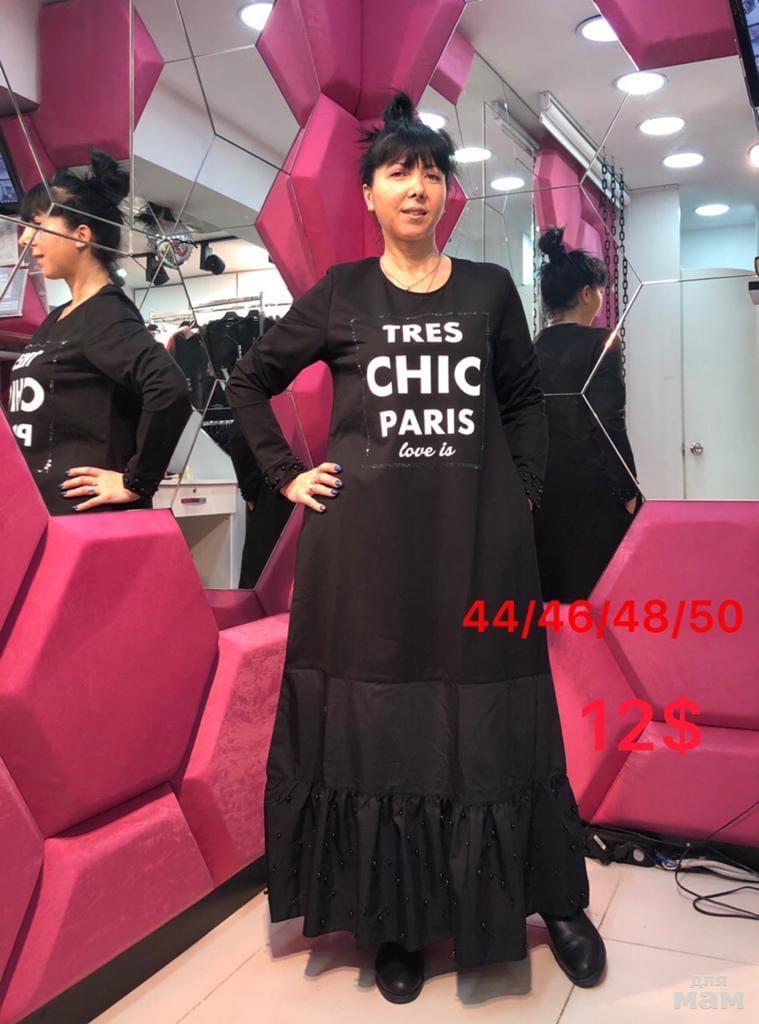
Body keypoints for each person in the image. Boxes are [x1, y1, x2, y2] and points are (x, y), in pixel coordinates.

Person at [226, 94, 606, 1003]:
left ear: (445, 194)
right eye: (398, 171)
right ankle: (392, 917)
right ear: (368, 193)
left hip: (478, 546)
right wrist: (286, 476)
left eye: (432, 172)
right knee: (384, 726)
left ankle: (554, 900)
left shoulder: (488, 290)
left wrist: (522, 488)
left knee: (502, 717)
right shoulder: (340, 294)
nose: (418, 186)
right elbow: (247, 381)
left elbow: (523, 400)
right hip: (364, 558)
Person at [8, 150, 191, 515]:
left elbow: (170, 388)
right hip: (44, 511)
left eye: (38, 225)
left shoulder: (104, 313)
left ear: (81, 235)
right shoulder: (60, 317)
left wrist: (136, 481)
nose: (25, 239)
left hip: (84, 518)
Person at [533, 227, 641, 603]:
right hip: (591, 490)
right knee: (599, 593)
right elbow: (608, 420)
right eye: (599, 291)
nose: (600, 298)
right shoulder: (601, 341)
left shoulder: (533, 347)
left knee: (553, 598)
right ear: (585, 293)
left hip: (543, 488)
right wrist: (628, 488)